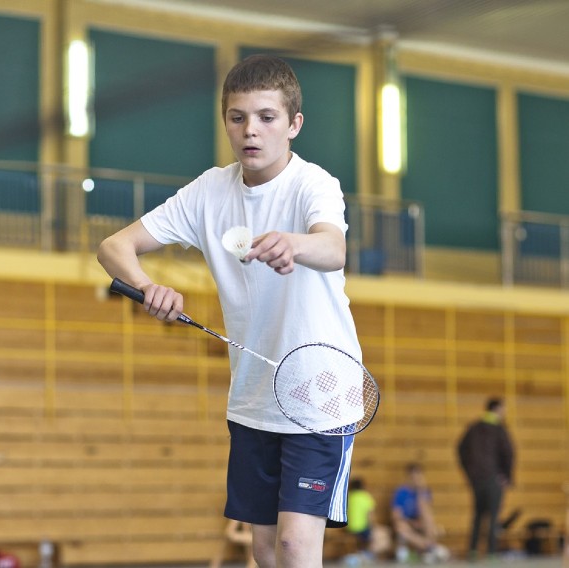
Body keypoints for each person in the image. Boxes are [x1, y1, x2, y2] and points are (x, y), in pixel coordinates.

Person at [97, 54, 361, 568]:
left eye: (266, 117)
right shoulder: (208, 192)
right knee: (262, 548)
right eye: (237, 117)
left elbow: (333, 249)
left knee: (293, 545)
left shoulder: (314, 185)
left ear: (294, 124)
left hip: (322, 393)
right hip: (253, 397)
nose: (251, 131)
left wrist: (295, 244)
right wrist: (148, 286)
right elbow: (114, 247)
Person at [457, 397, 514, 561]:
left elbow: (460, 449)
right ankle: (491, 552)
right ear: (497, 409)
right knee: (493, 515)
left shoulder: (473, 428)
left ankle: (473, 551)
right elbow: (509, 454)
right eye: (503, 409)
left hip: (477, 479)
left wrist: (470, 473)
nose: (505, 412)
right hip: (493, 478)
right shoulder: (499, 429)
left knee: (478, 515)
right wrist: (506, 476)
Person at [391, 463, 450, 564]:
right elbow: (396, 516)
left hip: (420, 524)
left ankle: (427, 549)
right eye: (413, 477)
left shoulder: (424, 492)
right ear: (408, 477)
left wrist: (420, 492)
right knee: (401, 527)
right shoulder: (401, 493)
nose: (416, 479)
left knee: (430, 520)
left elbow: (426, 512)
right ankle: (430, 547)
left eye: (418, 476)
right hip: (407, 524)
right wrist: (411, 523)